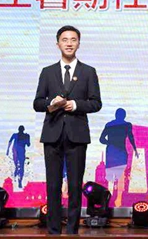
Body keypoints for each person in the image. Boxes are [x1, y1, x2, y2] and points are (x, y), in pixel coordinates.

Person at [33, 25, 102, 235]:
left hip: (77, 135)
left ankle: (72, 231)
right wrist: (50, 103)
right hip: (52, 133)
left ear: (79, 43)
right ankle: (53, 230)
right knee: (53, 186)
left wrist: (76, 105)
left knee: (74, 186)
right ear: (58, 44)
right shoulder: (47, 72)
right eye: (65, 40)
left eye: (73, 40)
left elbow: (96, 103)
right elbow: (37, 103)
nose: (69, 43)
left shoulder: (88, 72)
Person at [99, 108, 139, 207]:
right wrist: (135, 149)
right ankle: (118, 198)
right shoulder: (126, 125)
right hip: (119, 151)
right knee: (118, 175)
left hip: (113, 151)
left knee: (114, 175)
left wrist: (110, 142)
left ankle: (113, 198)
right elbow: (131, 137)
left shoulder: (110, 124)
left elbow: (102, 139)